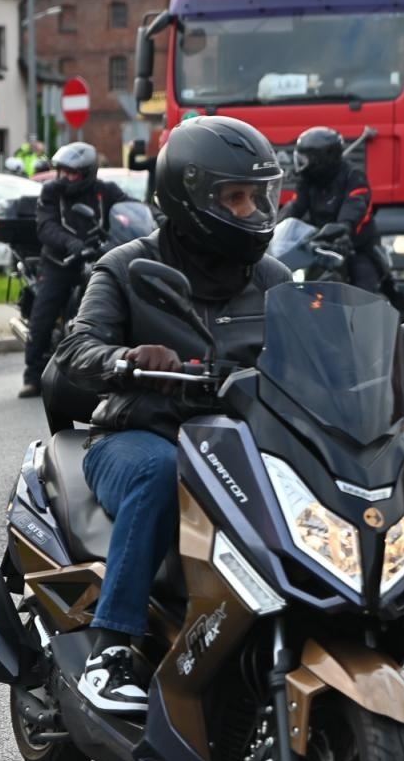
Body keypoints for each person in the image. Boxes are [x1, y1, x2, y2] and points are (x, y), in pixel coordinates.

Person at [51, 115, 286, 713]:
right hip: (137, 435)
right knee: (163, 471)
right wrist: (126, 359)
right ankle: (113, 650)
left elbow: (316, 355)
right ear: (190, 196)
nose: (252, 210)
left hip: (235, 443)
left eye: (259, 195)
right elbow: (75, 351)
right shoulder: (127, 267)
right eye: (234, 197)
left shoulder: (273, 278)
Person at [19, 141, 130, 398]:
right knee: (43, 315)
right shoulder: (51, 192)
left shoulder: (105, 191)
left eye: (73, 173)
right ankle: (33, 376)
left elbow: (132, 208)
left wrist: (155, 220)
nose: (66, 177)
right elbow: (46, 226)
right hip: (60, 262)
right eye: (63, 171)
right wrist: (72, 244)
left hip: (99, 258)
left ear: (88, 173)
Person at [278, 125, 394, 300]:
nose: (300, 164)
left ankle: (369, 323)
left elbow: (356, 204)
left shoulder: (354, 176)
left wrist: (344, 227)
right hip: (319, 246)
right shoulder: (308, 179)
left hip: (355, 246)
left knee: (364, 293)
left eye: (304, 159)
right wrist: (274, 227)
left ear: (321, 159)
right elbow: (296, 206)